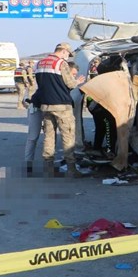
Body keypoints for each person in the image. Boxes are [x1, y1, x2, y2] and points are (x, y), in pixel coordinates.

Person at [33, 42, 86, 177]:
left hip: (46, 105)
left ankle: (48, 168)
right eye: (68, 54)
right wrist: (78, 81)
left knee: (49, 137)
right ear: (63, 51)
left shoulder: (39, 64)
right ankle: (71, 169)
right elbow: (70, 84)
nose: (68, 57)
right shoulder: (61, 64)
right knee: (68, 137)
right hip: (62, 105)